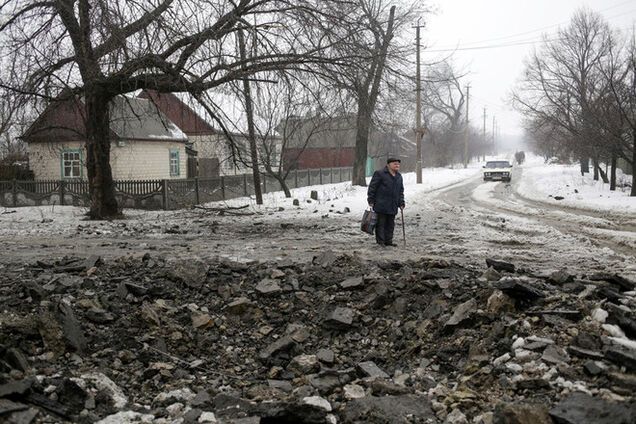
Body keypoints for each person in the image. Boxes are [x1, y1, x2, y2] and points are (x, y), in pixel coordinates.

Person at [367, 157, 405, 247]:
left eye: (398, 164)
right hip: (381, 204)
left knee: (390, 224)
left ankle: (389, 241)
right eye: (395, 163)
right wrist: (370, 199)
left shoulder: (399, 176)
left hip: (393, 205)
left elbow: (400, 191)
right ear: (388, 165)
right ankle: (381, 242)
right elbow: (372, 187)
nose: (397, 165)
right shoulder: (380, 174)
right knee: (381, 224)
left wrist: (401, 202)